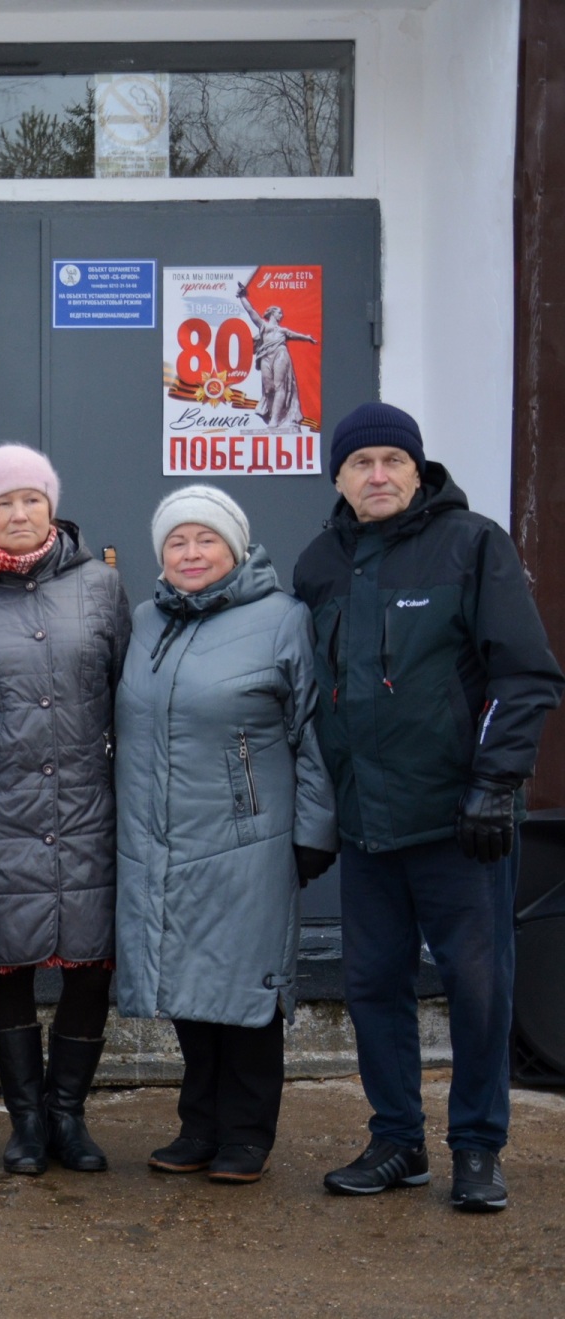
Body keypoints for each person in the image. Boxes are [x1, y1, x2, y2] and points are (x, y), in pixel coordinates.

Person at [292, 403, 563, 1212]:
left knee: (479, 989)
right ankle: (397, 1140)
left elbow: (525, 676)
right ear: (338, 477)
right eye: (360, 462)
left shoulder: (473, 545)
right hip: (368, 826)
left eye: (393, 460)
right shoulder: (320, 563)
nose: (378, 475)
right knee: (373, 985)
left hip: (461, 825)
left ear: (417, 470)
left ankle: (477, 1146)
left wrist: (495, 784)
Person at [115, 487, 338, 1185]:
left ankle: (246, 1132)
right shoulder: (147, 621)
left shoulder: (282, 619)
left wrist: (315, 829)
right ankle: (200, 1126)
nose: (191, 553)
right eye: (176, 542)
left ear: (236, 548)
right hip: (162, 838)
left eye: (205, 539)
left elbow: (312, 731)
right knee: (188, 983)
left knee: (245, 988)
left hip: (249, 838)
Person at [0, 443, 130, 1177]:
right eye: (2, 502)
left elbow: (127, 696)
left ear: (52, 507)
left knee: (91, 968)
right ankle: (26, 1122)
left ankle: (68, 1115)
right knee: (6, 966)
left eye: (32, 499)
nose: (19, 513)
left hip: (88, 806)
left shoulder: (101, 585)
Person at [234, 282, 318, 431]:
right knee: (268, 389)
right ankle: (273, 415)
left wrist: (307, 338)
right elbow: (250, 311)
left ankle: (275, 421)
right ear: (272, 313)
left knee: (280, 386)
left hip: (280, 353)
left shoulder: (282, 331)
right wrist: (242, 297)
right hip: (265, 356)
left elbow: (296, 335)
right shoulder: (264, 325)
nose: (282, 315)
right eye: (279, 313)